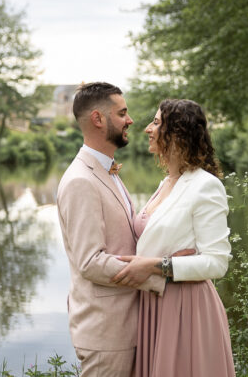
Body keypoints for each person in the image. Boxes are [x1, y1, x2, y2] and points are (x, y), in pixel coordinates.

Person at [111, 98, 236, 377]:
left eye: (156, 122)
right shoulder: (166, 182)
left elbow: (217, 263)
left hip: (186, 309)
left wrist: (156, 266)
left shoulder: (206, 186)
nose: (147, 129)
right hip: (153, 303)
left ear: (178, 133)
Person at [56, 82, 168, 377]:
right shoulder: (81, 180)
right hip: (107, 332)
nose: (131, 121)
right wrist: (157, 274)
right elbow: (90, 263)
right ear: (98, 119)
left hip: (126, 327)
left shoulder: (107, 171)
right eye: (122, 113)